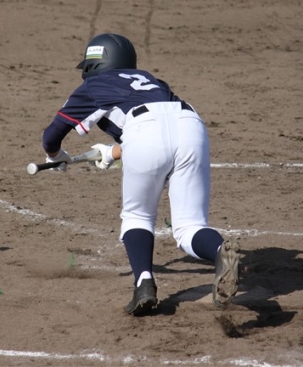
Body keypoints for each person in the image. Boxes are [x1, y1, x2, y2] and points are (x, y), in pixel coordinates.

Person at [41, 33, 241, 316]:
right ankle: (220, 250)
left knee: (137, 217)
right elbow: (165, 130)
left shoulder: (93, 85)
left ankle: (144, 284)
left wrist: (55, 156)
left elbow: (51, 136)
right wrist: (112, 152)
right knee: (189, 226)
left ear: (93, 64)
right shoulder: (151, 81)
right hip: (190, 126)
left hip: (144, 132)